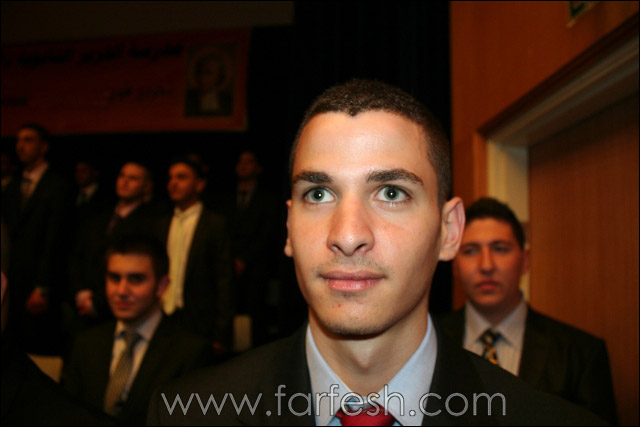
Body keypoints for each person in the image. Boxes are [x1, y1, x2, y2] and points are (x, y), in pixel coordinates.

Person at [148, 80, 604, 425]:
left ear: (448, 231)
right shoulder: (185, 415)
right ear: (288, 227)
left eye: (391, 192)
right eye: (318, 194)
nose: (348, 235)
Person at [441, 197, 617, 424]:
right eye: (471, 250)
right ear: (455, 265)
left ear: (524, 261)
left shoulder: (580, 354)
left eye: (500, 249)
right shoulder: (430, 340)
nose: (486, 265)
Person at [63, 235, 211, 425]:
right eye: (114, 278)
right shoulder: (86, 343)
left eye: (136, 279)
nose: (122, 291)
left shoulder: (189, 352)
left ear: (162, 286)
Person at [2, 123, 70, 354]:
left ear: (43, 147)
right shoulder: (11, 188)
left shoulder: (58, 186)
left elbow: (56, 239)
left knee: (36, 345)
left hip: (38, 281)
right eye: (19, 140)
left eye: (28, 140)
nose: (21, 146)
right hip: (12, 281)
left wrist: (43, 286)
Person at [156, 157, 233, 355]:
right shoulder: (160, 224)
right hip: (161, 316)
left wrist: (221, 332)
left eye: (181, 177)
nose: (173, 183)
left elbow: (224, 280)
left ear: (199, 184)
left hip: (199, 321)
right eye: (170, 178)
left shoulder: (215, 224)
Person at [69, 161, 158, 325]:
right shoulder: (98, 214)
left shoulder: (150, 222)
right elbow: (77, 254)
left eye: (133, 178)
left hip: (115, 309)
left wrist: (96, 302)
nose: (125, 182)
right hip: (81, 305)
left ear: (147, 186)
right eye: (122, 176)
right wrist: (80, 293)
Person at [224, 149, 279, 346]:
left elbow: (267, 234)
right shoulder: (226, 199)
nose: (243, 166)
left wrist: (244, 260)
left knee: (255, 317)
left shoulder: (267, 199)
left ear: (258, 168)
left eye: (248, 162)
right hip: (228, 266)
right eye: (240, 162)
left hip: (256, 268)